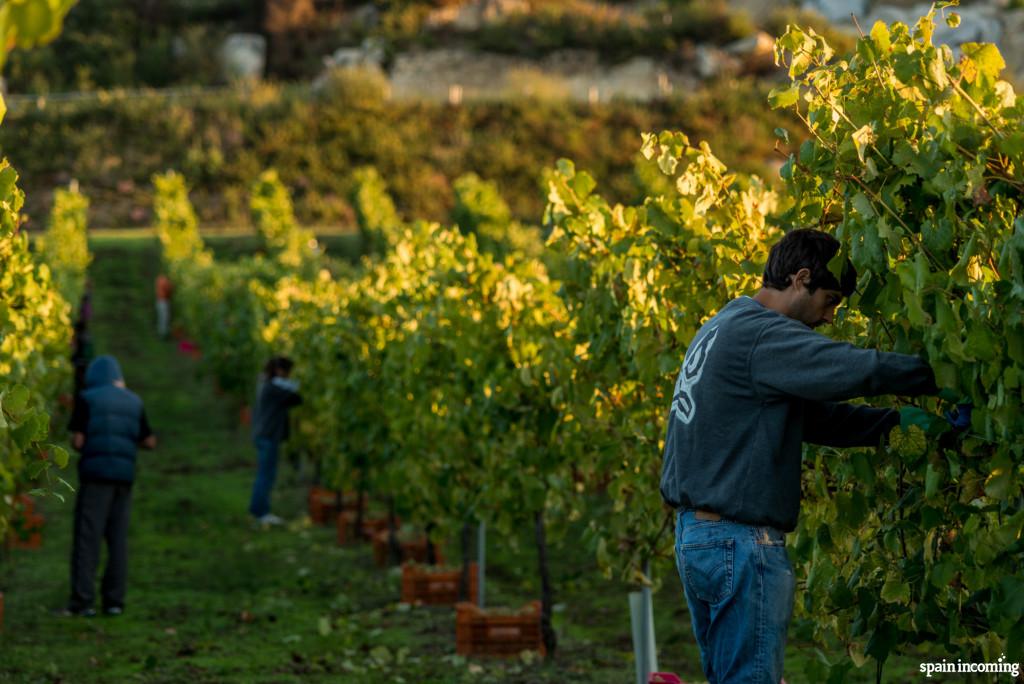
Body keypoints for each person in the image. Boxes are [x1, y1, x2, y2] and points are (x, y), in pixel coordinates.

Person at [660, 229, 942, 683]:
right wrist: (940, 374)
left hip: (701, 537)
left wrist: (898, 423)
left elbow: (816, 420)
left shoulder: (727, 323)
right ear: (801, 278)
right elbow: (850, 367)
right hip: (738, 543)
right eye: (829, 300)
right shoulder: (760, 334)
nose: (830, 317)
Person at [66, 355, 156, 617]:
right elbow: (149, 441)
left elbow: (78, 442)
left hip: (95, 477)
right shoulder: (134, 401)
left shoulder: (87, 398)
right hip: (124, 478)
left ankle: (83, 602)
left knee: (88, 539)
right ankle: (114, 601)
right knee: (117, 539)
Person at [249, 356, 302, 526]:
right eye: (287, 373)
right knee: (266, 475)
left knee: (264, 474)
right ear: (280, 371)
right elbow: (296, 399)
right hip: (268, 436)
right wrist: (289, 385)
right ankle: (260, 512)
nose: (288, 376)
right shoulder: (272, 388)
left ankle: (258, 510)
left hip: (264, 435)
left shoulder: (267, 384)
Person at [155, 273, 173, 339]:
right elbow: (169, 289)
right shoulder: (164, 281)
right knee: (164, 319)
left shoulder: (158, 280)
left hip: (159, 301)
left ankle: (162, 334)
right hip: (163, 301)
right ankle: (163, 335)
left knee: (161, 318)